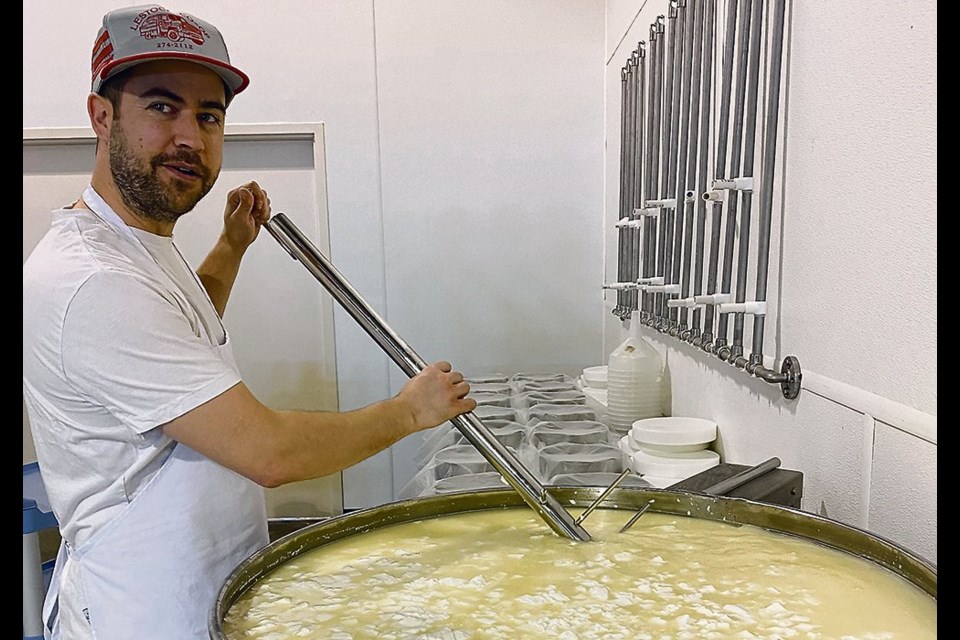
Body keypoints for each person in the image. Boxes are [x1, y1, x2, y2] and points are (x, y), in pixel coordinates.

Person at [21, 5, 477, 639]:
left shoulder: (136, 247)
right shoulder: (92, 279)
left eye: (209, 115)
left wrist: (231, 246)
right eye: (161, 107)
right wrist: (409, 411)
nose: (190, 136)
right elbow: (270, 452)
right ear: (102, 116)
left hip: (201, 583)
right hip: (147, 611)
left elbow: (180, 326)